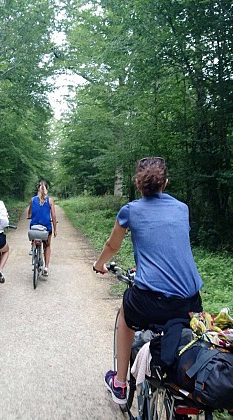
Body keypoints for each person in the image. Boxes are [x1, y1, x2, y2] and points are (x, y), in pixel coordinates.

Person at [93, 156, 203, 405]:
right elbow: (168, 245)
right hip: (190, 302)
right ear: (166, 182)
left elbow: (113, 244)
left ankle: (120, 384)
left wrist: (99, 265)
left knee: (125, 315)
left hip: (149, 301)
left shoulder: (130, 210)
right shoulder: (182, 208)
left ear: (138, 184)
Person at [27, 180, 57, 276]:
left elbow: (30, 212)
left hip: (34, 227)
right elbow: (54, 216)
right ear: (47, 189)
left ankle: (33, 247)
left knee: (34, 234)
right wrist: (55, 229)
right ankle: (46, 267)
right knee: (47, 246)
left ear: (38, 189)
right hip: (46, 228)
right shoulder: (50, 200)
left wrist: (29, 216)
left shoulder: (33, 199)